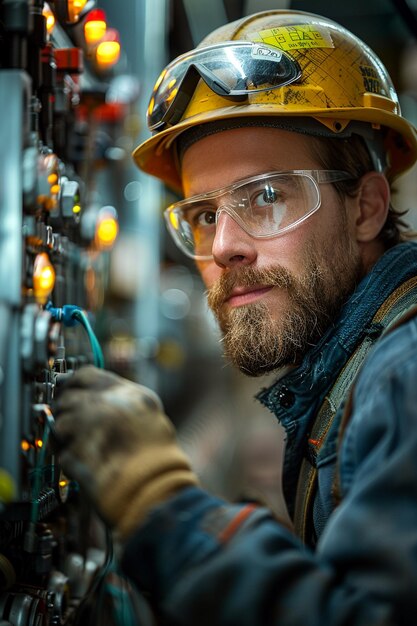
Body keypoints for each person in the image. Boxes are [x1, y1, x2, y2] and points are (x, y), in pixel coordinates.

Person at [55, 9, 417, 625]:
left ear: (366, 208)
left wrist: (160, 505)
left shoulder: (403, 379)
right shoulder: (356, 373)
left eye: (267, 196)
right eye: (202, 214)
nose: (224, 246)